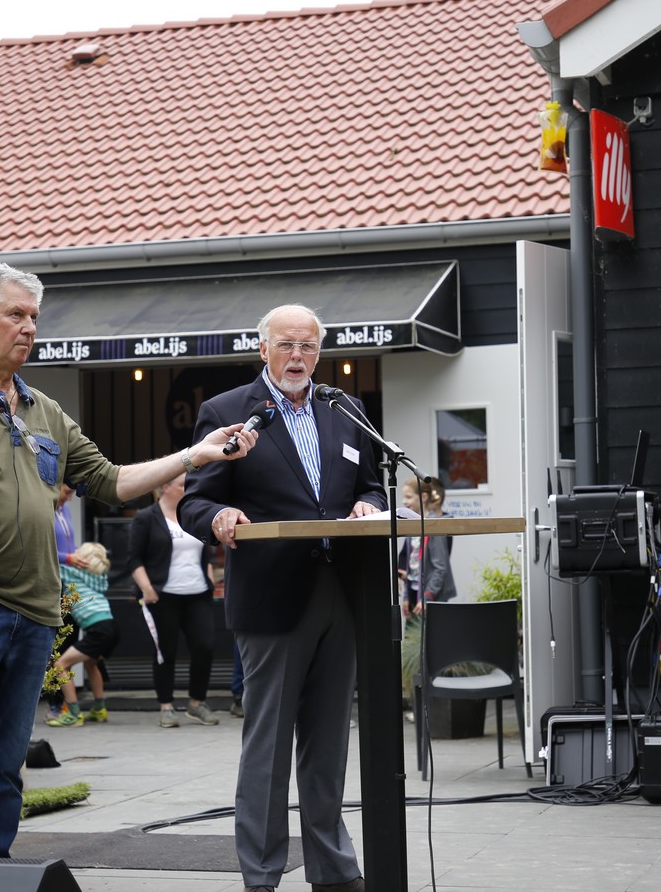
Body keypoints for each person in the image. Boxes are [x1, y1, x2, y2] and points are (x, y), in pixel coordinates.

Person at [0, 262, 259, 858]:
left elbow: (112, 482)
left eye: (34, 317)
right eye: (16, 315)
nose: (29, 328)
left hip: (36, 615)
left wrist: (194, 455)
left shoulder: (44, 410)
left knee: (7, 761)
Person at [179, 303, 384, 892]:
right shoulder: (227, 412)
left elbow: (371, 483)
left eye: (309, 346)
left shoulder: (345, 408)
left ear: (320, 352)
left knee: (329, 744)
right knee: (267, 746)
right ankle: (262, 874)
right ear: (263, 349)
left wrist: (369, 502)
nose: (298, 357)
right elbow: (194, 501)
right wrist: (219, 516)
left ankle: (333, 870)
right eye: (287, 345)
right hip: (272, 596)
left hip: (341, 591)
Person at [129, 472, 221, 728]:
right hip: (163, 595)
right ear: (165, 487)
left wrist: (210, 579)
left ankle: (197, 703)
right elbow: (134, 559)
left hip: (198, 593)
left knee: (205, 646)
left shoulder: (193, 516)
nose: (188, 488)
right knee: (165, 651)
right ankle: (166, 706)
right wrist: (147, 589)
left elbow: (207, 553)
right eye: (183, 484)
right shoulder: (146, 517)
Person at [45, 542, 118, 727]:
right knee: (91, 663)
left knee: (59, 665)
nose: (74, 552)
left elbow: (50, 562)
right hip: (111, 626)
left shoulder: (70, 573)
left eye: (78, 551)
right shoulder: (98, 577)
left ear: (82, 560)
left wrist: (64, 558)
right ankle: (99, 709)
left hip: (98, 631)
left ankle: (73, 714)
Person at [396, 476, 456, 618]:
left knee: (432, 632)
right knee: (413, 632)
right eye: (404, 497)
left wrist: (427, 597)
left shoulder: (433, 526)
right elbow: (411, 565)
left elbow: (440, 568)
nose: (404, 501)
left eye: (408, 497)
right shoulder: (411, 524)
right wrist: (406, 597)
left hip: (431, 597)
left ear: (423, 497)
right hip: (414, 594)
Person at [46, 481, 80, 721]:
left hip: (69, 584)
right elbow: (43, 549)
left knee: (69, 641)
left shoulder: (63, 508)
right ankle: (54, 702)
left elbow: (70, 545)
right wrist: (69, 558)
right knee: (53, 646)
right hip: (52, 585)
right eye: (67, 492)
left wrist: (80, 556)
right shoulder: (45, 508)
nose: (69, 498)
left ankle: (68, 701)